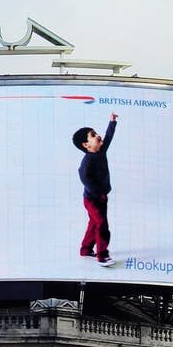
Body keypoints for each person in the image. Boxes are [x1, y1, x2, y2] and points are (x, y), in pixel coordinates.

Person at [72, 113, 118, 267]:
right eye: (93, 135)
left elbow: (108, 137)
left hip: (101, 197)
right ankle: (102, 255)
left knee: (94, 224)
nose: (98, 135)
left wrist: (112, 122)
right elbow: (84, 177)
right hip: (92, 199)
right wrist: (98, 193)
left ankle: (85, 250)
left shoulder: (101, 151)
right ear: (86, 145)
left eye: (96, 132)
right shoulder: (88, 161)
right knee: (102, 225)